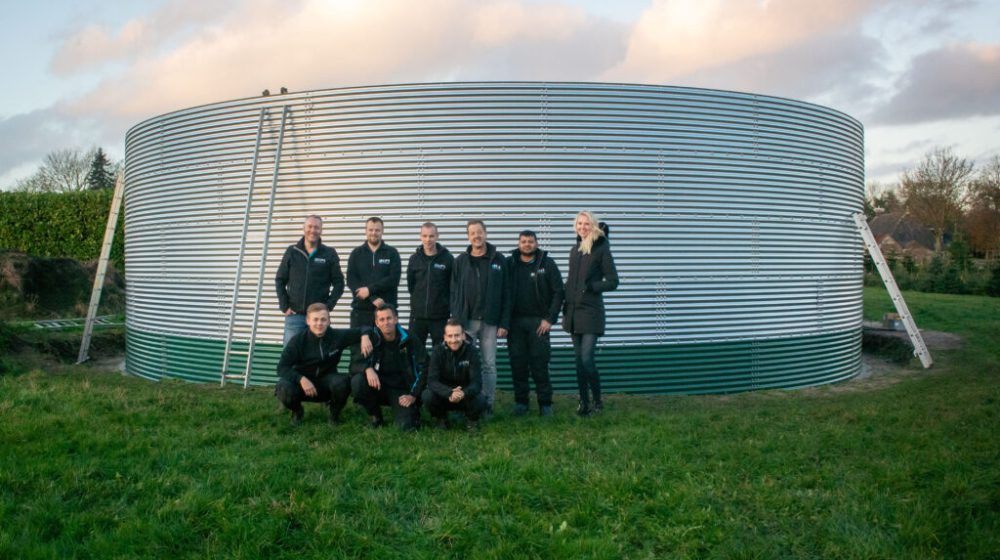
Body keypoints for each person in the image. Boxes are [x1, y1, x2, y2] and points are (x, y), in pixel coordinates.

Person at [274, 303, 372, 426]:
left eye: (323, 319)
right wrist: (301, 379)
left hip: (326, 383)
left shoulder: (338, 336)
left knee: (343, 382)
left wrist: (365, 336)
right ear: (308, 321)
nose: (319, 323)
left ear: (329, 321)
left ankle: (334, 413)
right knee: (283, 388)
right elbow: (281, 368)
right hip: (302, 385)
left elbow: (365, 328)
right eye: (315, 319)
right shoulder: (297, 341)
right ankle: (297, 411)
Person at [450, 219, 510, 416]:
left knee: (488, 364)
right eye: (472, 233)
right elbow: (454, 292)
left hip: (490, 322)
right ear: (468, 236)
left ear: (485, 233)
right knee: (463, 364)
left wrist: (504, 322)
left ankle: (487, 404)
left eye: (479, 232)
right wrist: (457, 320)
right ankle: (462, 403)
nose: (476, 236)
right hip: (466, 322)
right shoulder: (460, 261)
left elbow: (507, 294)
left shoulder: (499, 260)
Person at [563, 211, 619, 416]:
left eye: (587, 224)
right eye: (579, 223)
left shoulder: (602, 249)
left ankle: (597, 400)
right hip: (573, 313)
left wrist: (592, 287)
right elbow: (571, 281)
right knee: (578, 361)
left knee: (587, 358)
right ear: (575, 226)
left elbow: (613, 281)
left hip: (591, 313)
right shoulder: (574, 250)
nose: (583, 227)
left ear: (593, 226)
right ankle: (583, 402)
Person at [507, 230, 564, 417]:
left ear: (536, 243)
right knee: (518, 364)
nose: (527, 244)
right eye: (523, 241)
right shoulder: (510, 263)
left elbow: (558, 292)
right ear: (518, 243)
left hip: (539, 322)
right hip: (515, 323)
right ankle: (521, 402)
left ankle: (545, 403)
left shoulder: (547, 263)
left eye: (530, 241)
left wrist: (550, 319)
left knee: (539, 364)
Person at [349, 304, 422, 431]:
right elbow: (354, 364)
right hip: (378, 387)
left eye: (389, 318)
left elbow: (424, 367)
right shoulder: (370, 338)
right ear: (377, 323)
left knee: (407, 427)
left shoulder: (410, 339)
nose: (386, 322)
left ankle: (411, 413)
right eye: (381, 320)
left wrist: (413, 394)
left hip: (401, 390)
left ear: (396, 319)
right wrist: (367, 369)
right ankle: (376, 415)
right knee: (358, 382)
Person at [275, 215, 345, 343]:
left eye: (317, 227)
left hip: (319, 319)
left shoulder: (329, 253)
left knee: (320, 357)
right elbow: (280, 280)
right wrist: (284, 306)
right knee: (292, 358)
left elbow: (339, 283)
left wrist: (328, 306)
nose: (313, 230)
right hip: (295, 317)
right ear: (304, 228)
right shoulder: (292, 251)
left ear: (321, 230)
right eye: (310, 226)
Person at [406, 222, 454, 378]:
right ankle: (416, 388)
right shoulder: (414, 259)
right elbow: (411, 285)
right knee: (414, 353)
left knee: (441, 353)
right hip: (417, 316)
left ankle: (437, 387)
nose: (428, 239)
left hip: (439, 317)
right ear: (420, 237)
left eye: (431, 236)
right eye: (425, 236)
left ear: (437, 236)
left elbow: (451, 287)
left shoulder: (447, 258)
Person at [422, 319, 487, 432]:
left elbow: (476, 382)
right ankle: (441, 419)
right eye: (450, 336)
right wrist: (449, 392)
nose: (453, 340)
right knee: (427, 395)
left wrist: (463, 393)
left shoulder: (472, 352)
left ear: (463, 336)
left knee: (481, 398)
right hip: (445, 395)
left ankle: (472, 421)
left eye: (457, 335)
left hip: (464, 395)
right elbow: (432, 381)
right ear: (445, 337)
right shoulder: (437, 351)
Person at [347, 216, 402, 329]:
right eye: (370, 230)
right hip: (361, 312)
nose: (374, 233)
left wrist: (369, 290)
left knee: (387, 346)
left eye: (377, 230)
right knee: (359, 346)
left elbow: (393, 279)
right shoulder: (356, 253)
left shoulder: (392, 253)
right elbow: (351, 280)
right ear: (365, 231)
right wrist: (372, 298)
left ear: (382, 231)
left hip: (386, 312)